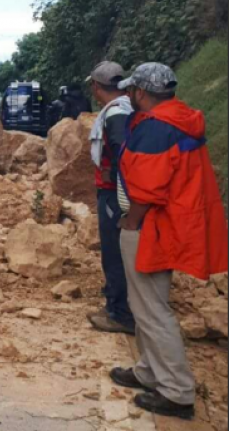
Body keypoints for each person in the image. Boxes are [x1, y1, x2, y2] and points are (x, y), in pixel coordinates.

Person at [109, 63, 229, 420]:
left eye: (131, 91)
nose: (129, 96)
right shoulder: (179, 120)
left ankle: (176, 390)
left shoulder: (156, 129)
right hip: (168, 224)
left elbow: (147, 188)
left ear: (141, 93)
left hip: (151, 227)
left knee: (152, 307)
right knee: (146, 301)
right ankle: (149, 370)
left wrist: (131, 220)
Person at [84, 62, 135, 335]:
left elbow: (121, 153)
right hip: (121, 192)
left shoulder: (115, 114)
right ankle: (124, 304)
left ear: (96, 86)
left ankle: (119, 313)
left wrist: (120, 191)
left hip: (115, 194)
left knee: (114, 253)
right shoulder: (128, 107)